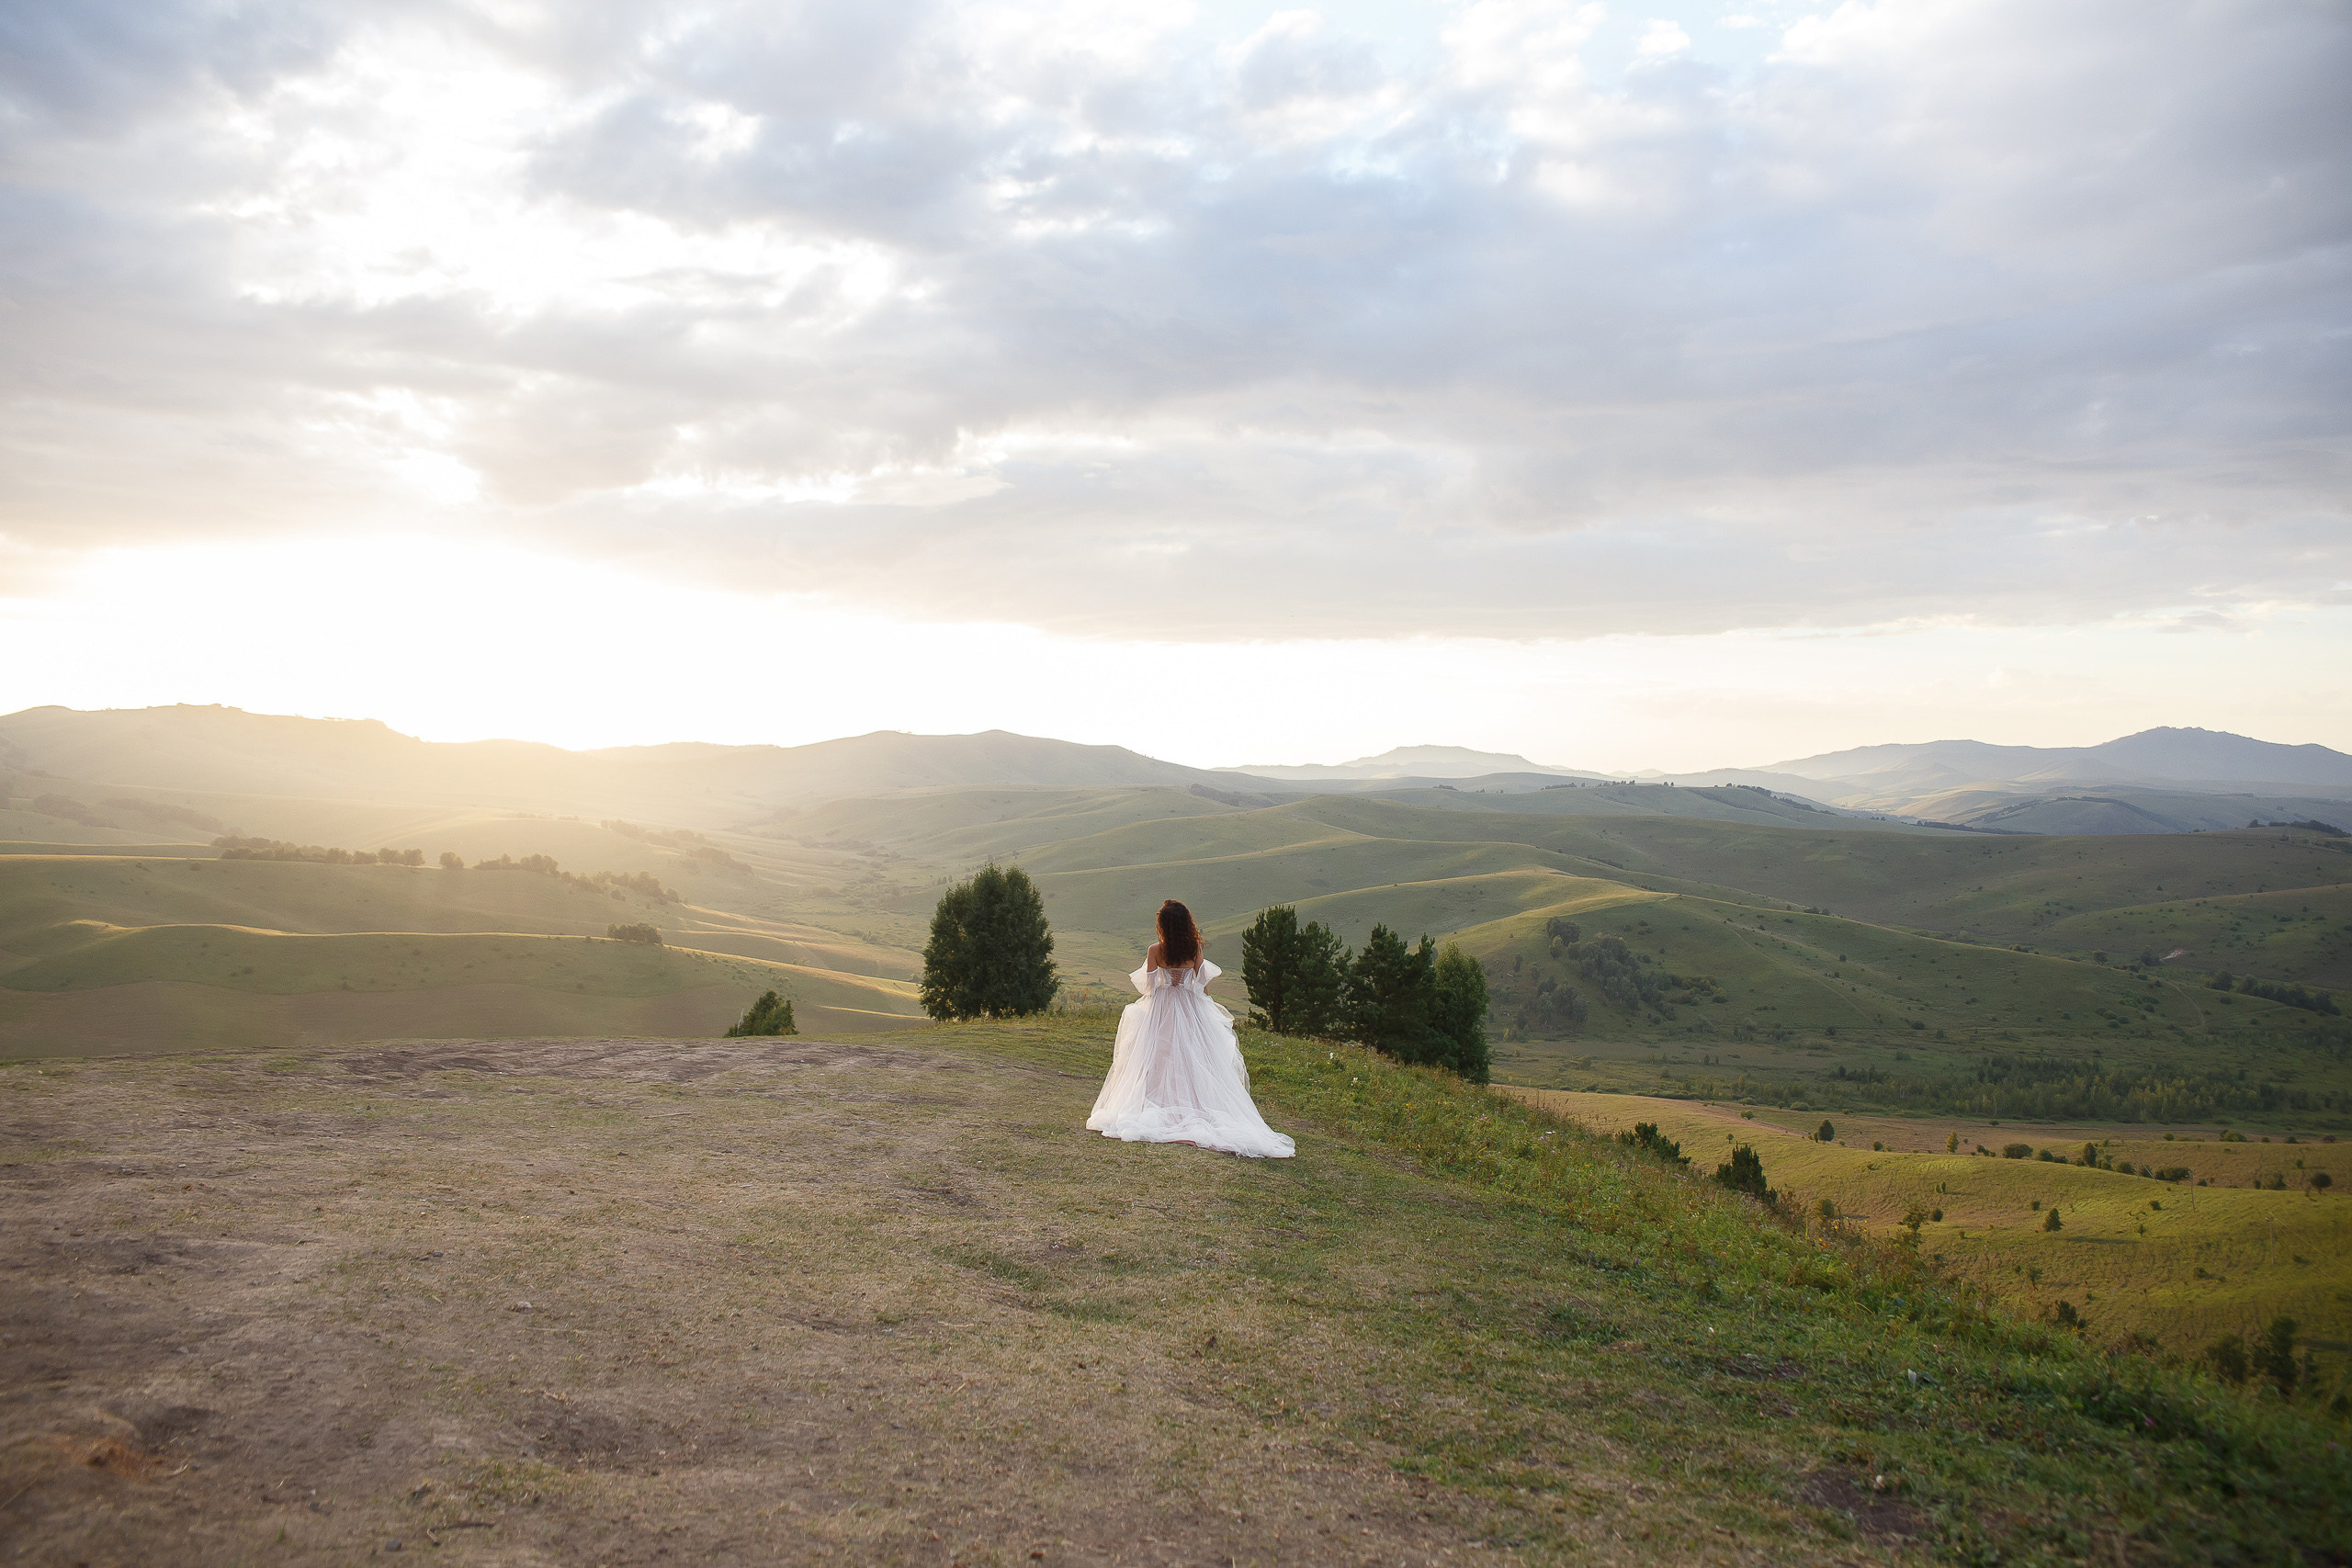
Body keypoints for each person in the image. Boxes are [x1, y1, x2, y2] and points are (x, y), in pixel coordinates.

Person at [1085, 899, 1295, 1158]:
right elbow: (1201, 986)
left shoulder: (1155, 950)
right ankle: (1192, 1104)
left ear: (1163, 925)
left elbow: (1148, 987)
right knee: (1193, 1055)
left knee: (1157, 1055)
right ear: (1186, 923)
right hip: (1188, 1006)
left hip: (1162, 1008)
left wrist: (1166, 981)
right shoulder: (1194, 948)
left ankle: (1158, 1103)